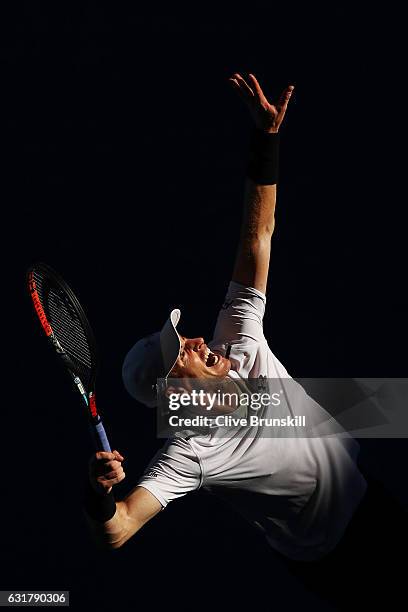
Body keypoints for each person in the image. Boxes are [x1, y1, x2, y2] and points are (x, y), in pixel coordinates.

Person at [84, 73, 368, 567]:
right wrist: (98, 493)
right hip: (338, 557)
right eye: (180, 353)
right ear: (175, 393)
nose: (193, 340)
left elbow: (256, 237)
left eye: (183, 336)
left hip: (366, 489)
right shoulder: (190, 453)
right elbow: (119, 530)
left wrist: (267, 140)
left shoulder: (238, 338)